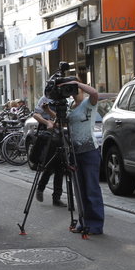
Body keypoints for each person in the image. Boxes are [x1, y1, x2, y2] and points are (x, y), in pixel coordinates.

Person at [62, 79, 104, 235]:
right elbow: (65, 123)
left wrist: (76, 83)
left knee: (92, 189)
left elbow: (94, 93)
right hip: (75, 152)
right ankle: (84, 222)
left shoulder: (89, 103)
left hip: (89, 151)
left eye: (75, 90)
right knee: (80, 190)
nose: (73, 93)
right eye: (71, 90)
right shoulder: (71, 107)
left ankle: (96, 225)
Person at [33, 96, 66, 207]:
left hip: (61, 137)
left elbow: (65, 120)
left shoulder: (64, 100)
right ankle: (40, 188)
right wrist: (47, 122)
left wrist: (58, 124)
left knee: (60, 168)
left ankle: (57, 197)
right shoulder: (45, 99)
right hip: (48, 138)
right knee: (49, 166)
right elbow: (35, 114)